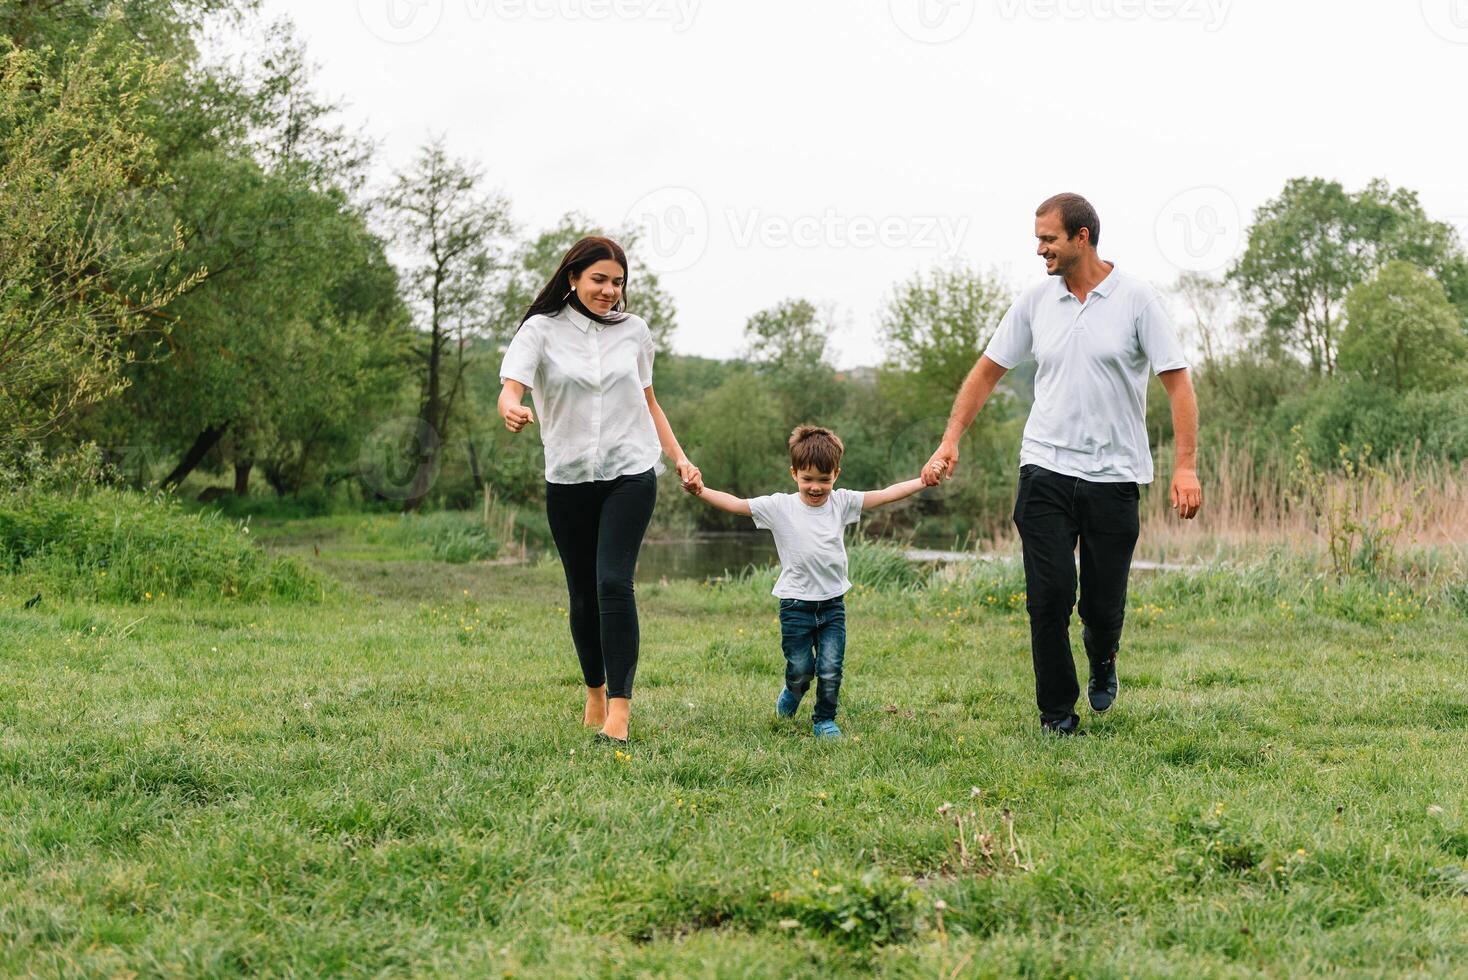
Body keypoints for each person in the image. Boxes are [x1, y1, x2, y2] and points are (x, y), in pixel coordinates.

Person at [923, 193, 1203, 736]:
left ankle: (1103, 657)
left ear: (1082, 237)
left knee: (1101, 608)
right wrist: (950, 438)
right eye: (1037, 238)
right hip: (1045, 469)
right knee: (1048, 597)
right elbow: (986, 371)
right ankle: (1056, 712)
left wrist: (1185, 466)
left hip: (1115, 475)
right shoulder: (1035, 301)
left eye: (1048, 238)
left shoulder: (1138, 300)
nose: (1039, 249)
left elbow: (1178, 382)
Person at [498, 236, 701, 745]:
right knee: (583, 594)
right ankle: (594, 691)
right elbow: (512, 385)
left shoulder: (634, 333)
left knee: (613, 582)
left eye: (618, 282)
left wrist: (679, 458)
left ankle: (620, 709)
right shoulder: (539, 331)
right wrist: (511, 405)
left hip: (629, 472)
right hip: (567, 478)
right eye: (599, 280)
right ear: (573, 278)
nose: (610, 290)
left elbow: (650, 403)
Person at [688, 425, 932, 738]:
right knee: (802, 669)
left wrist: (922, 482)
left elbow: (885, 495)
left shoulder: (842, 503)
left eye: (824, 480)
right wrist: (700, 491)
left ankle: (824, 720)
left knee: (830, 668)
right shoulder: (779, 507)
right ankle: (793, 691)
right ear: (794, 474)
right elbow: (736, 504)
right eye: (808, 479)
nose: (815, 487)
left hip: (832, 605)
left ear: (836, 475)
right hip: (795, 605)